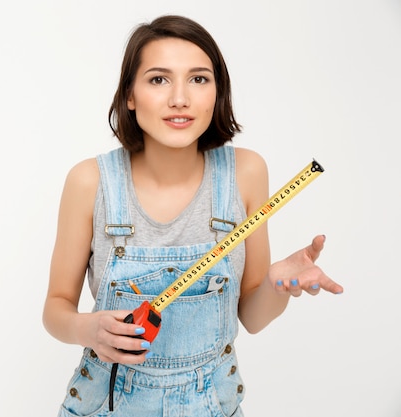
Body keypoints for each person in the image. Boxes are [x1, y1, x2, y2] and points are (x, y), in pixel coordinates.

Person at [42, 15, 343, 417]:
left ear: (217, 92)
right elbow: (55, 308)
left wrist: (275, 284)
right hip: (107, 405)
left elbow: (252, 318)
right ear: (129, 94)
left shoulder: (246, 173)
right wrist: (87, 328)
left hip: (212, 405)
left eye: (199, 79)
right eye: (158, 79)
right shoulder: (90, 181)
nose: (180, 98)